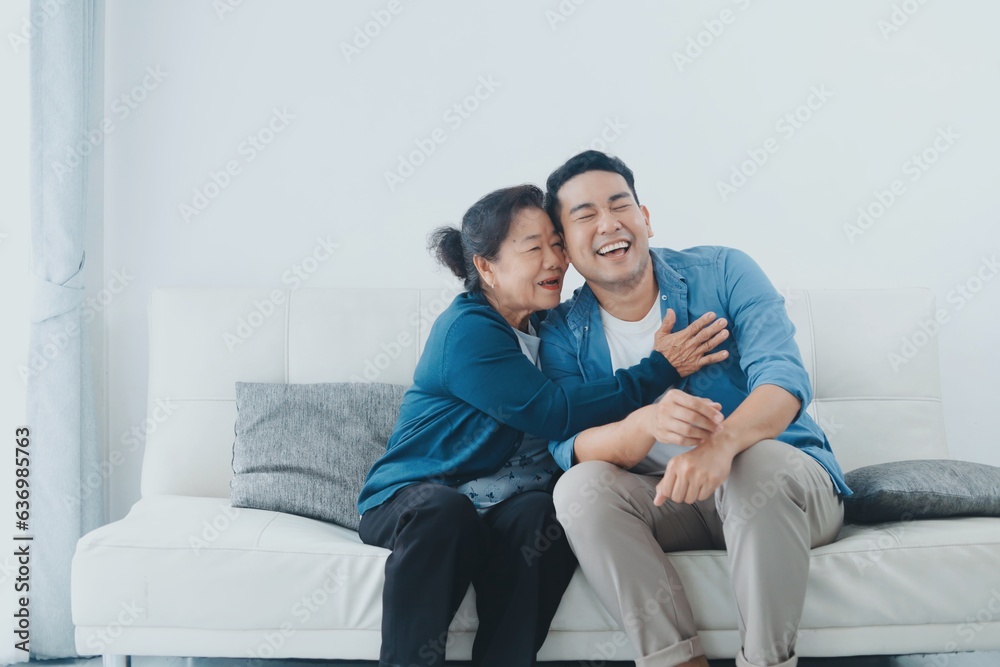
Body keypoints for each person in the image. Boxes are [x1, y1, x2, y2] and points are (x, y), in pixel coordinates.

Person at [356, 183, 729, 667]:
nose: (555, 260)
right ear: (486, 267)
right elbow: (553, 411)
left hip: (495, 505)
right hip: (414, 497)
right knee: (444, 512)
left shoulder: (550, 329)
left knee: (545, 514)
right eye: (534, 248)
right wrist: (660, 368)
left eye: (557, 244)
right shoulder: (467, 330)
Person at [539, 151, 853, 667]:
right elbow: (567, 443)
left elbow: (784, 377)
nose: (609, 223)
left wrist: (722, 446)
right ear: (566, 248)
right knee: (578, 487)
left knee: (755, 464)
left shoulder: (725, 270)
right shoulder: (561, 333)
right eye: (585, 215)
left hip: (783, 488)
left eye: (621, 205)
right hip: (669, 503)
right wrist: (644, 422)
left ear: (646, 218)